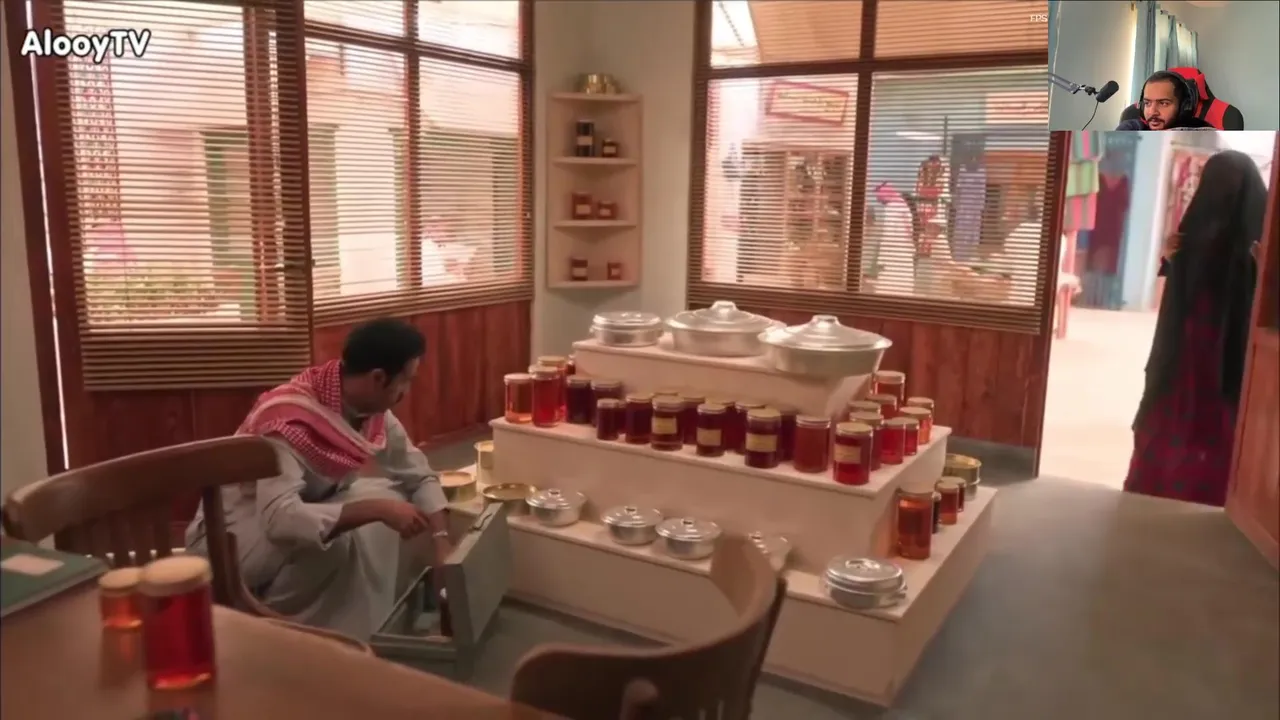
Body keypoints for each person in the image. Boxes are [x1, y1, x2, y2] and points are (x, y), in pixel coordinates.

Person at [185, 318, 452, 640]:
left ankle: (365, 626)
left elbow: (417, 474)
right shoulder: (287, 420)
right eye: (406, 381)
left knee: (395, 500)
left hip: (301, 509)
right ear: (378, 378)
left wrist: (442, 545)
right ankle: (291, 635)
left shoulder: (369, 410)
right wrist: (376, 510)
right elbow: (281, 520)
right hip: (233, 535)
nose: (406, 392)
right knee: (343, 538)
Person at [1125, 150, 1265, 506]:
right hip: (1190, 355)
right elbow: (1177, 289)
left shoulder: (1262, 243)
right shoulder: (1197, 234)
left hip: (1226, 357)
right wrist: (1170, 256)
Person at [1127, 71, 1215, 131]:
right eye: (1147, 103)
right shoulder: (1134, 130)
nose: (1152, 112)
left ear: (1184, 106)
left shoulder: (1204, 136)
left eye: (1163, 103)